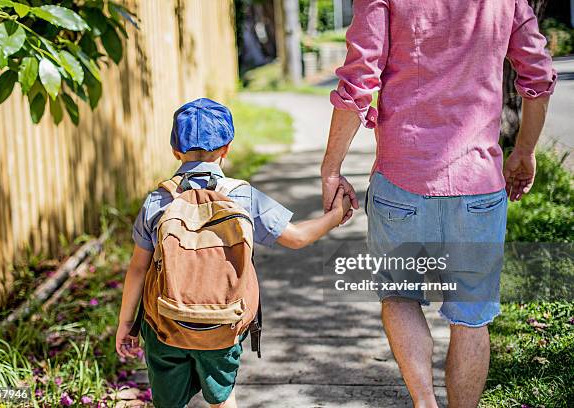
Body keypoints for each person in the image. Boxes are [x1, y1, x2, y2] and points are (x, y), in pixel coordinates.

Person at [321, 1, 555, 407]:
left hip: (401, 182)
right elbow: (538, 73)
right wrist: (525, 151)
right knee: (471, 317)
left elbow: (361, 76)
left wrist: (331, 167)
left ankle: (425, 402)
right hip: (478, 186)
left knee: (399, 296)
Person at [115, 98, 351, 408]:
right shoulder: (241, 195)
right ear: (227, 149)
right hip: (222, 325)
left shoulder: (158, 200)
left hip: (164, 325)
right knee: (222, 399)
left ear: (175, 151)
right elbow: (297, 238)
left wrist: (126, 324)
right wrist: (336, 214)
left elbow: (137, 270)